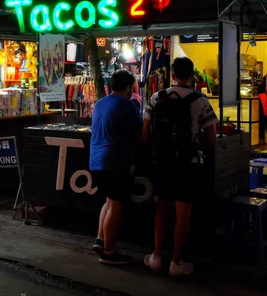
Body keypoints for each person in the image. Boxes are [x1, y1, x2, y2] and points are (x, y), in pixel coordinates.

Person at [143, 57, 217, 277]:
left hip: (163, 162)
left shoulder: (157, 97)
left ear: (172, 74)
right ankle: (176, 261)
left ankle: (156, 257)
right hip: (189, 163)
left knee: (162, 207)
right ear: (192, 75)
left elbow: (145, 133)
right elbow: (211, 140)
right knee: (183, 212)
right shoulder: (200, 100)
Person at [89, 69, 142, 265]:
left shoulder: (100, 103)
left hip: (96, 161)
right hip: (114, 161)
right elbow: (141, 134)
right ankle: (109, 253)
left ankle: (101, 240)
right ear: (129, 87)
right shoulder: (127, 105)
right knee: (116, 206)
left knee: (109, 202)